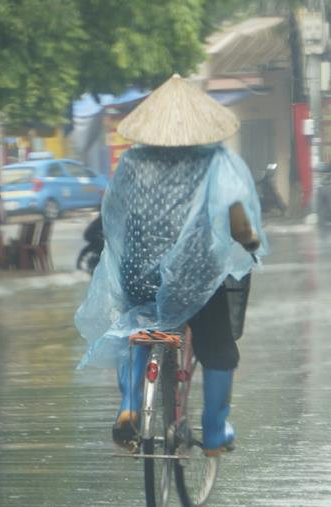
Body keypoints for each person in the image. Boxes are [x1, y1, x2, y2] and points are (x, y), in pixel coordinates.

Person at [74, 74, 267, 456]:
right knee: (218, 349)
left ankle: (130, 403)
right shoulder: (217, 162)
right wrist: (251, 244)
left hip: (138, 274)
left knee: (140, 327)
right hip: (196, 278)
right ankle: (213, 432)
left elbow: (114, 216)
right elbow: (238, 221)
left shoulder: (131, 163)